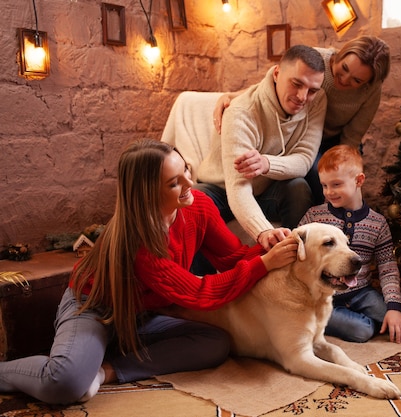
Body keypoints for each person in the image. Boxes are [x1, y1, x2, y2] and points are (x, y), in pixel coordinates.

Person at [0, 139, 298, 405]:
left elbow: (232, 257)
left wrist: (267, 243)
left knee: (215, 343)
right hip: (94, 309)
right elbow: (199, 293)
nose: (190, 184)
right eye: (174, 183)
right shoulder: (139, 242)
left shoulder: (199, 206)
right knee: (65, 383)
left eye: (186, 172)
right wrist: (265, 264)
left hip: (143, 314)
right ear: (146, 194)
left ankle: (106, 371)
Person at [213, 36, 391, 205]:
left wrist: (342, 165)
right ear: (340, 55)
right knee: (315, 174)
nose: (344, 80)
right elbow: (274, 83)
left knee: (343, 178)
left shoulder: (371, 91)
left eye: (356, 80)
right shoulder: (317, 58)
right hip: (303, 130)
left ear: (368, 83)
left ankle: (343, 222)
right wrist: (232, 96)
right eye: (344, 68)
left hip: (337, 140)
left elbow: (353, 135)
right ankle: (316, 219)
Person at [194, 45, 327, 251]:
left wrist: (266, 163)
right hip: (221, 188)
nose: (302, 96)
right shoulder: (240, 112)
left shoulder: (317, 101)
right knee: (194, 202)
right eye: (296, 84)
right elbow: (239, 186)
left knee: (298, 187)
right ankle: (204, 279)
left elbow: (304, 160)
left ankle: (298, 264)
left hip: (267, 188)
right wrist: (263, 231)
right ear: (276, 73)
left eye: (311, 90)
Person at [298, 145, 401, 343]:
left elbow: (387, 269)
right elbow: (298, 251)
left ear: (359, 180)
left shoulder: (377, 223)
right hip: (323, 294)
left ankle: (362, 319)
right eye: (324, 185)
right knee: (362, 330)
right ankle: (322, 317)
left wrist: (393, 307)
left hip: (361, 293)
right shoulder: (315, 216)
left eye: (336, 184)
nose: (329, 192)